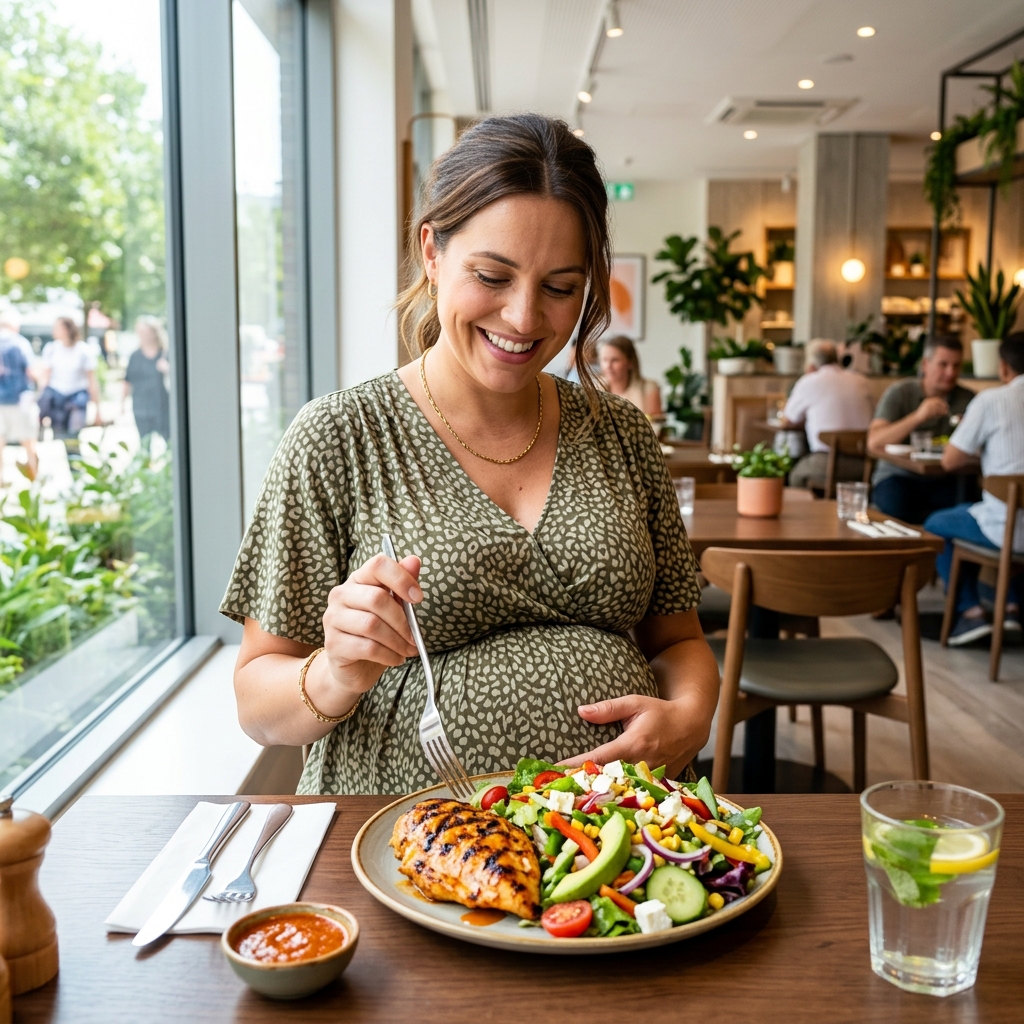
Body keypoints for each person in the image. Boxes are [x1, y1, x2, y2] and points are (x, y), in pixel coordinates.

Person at [221, 114, 719, 795]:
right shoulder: (338, 436)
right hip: (398, 844)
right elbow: (256, 699)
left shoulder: (623, 433)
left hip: (619, 845)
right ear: (432, 252)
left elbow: (679, 641)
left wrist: (690, 718)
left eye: (560, 288)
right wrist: (334, 670)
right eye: (492, 275)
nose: (522, 318)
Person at [924, 333, 1024, 645]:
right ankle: (1011, 608)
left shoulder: (992, 400)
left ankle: (970, 614)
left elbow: (951, 461)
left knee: (935, 525)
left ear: (1004, 367)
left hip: (1007, 529)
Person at [868, 336, 975, 523]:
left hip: (948, 479)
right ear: (925, 365)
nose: (950, 372)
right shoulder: (900, 392)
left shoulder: (969, 399)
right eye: (943, 364)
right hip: (899, 476)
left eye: (956, 366)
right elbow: (874, 441)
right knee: (896, 503)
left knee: (969, 502)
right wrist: (918, 416)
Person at [780, 339, 874, 490]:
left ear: (810, 364)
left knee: (796, 476)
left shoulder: (809, 381)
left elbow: (787, 421)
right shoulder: (862, 381)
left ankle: (814, 512)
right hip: (865, 465)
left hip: (827, 463)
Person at [37, 317, 99, 454]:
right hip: (57, 397)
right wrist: (42, 402)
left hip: (77, 397)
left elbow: (92, 380)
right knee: (60, 435)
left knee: (73, 435)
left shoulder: (83, 350)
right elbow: (46, 377)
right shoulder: (51, 349)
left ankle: (76, 468)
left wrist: (97, 409)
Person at [0, 314, 39, 484]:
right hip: (19, 399)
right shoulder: (19, 342)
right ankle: (34, 476)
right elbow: (31, 370)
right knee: (28, 440)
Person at [124, 316, 171, 441]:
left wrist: (168, 369)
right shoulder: (135, 356)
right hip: (141, 408)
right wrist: (121, 405)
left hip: (163, 407)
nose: (144, 336)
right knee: (144, 444)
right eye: (140, 332)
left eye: (146, 332)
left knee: (169, 441)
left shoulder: (166, 354)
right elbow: (127, 381)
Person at [596, 335, 663, 416]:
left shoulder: (648, 388)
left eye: (615, 360)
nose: (608, 366)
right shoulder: (594, 388)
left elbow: (655, 425)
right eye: (604, 360)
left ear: (630, 362)